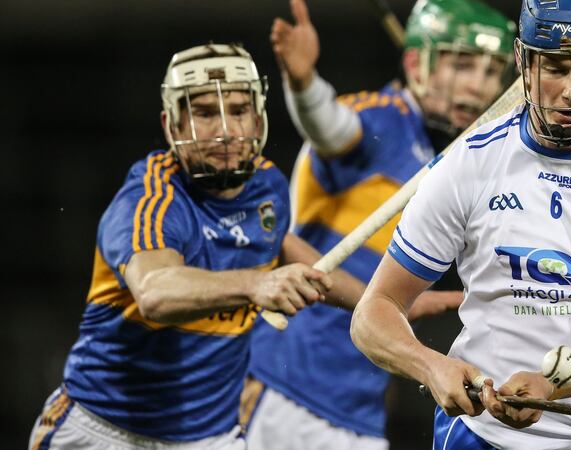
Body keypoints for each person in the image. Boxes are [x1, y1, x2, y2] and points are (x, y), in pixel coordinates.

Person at [351, 0, 571, 448]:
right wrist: (431, 366)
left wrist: (550, 385)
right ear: (523, 61)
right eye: (555, 68)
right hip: (484, 436)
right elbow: (372, 313)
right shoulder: (469, 162)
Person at [28, 43, 365, 450]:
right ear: (172, 125)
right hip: (106, 430)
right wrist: (256, 284)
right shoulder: (150, 199)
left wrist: (376, 299)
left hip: (210, 438)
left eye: (238, 111)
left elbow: (279, 243)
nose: (225, 130)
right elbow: (155, 292)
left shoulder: (268, 187)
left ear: (258, 118)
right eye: (205, 113)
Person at [242, 0, 517, 448]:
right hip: (289, 384)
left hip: (362, 406)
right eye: (462, 65)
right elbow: (328, 125)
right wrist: (303, 84)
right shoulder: (383, 119)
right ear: (415, 64)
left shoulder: (460, 160)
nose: (477, 85)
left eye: (491, 72)